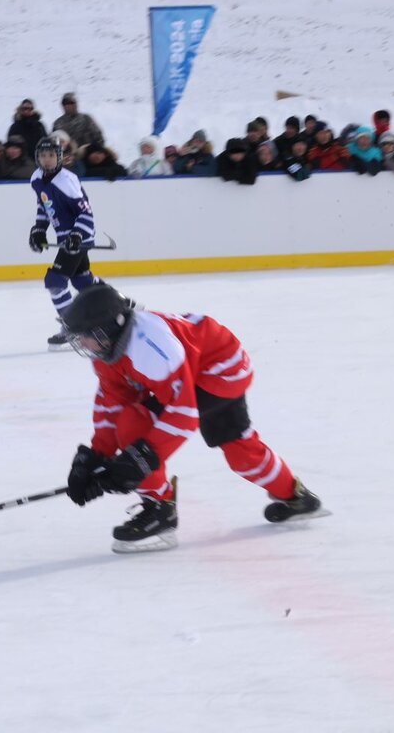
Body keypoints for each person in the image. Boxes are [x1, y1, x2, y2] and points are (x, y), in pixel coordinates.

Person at [59, 283, 327, 553]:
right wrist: (96, 457)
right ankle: (296, 497)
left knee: (135, 424)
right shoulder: (107, 351)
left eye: (85, 336)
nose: (81, 343)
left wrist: (139, 462)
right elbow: (112, 403)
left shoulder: (149, 348)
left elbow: (183, 415)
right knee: (240, 452)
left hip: (220, 370)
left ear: (108, 328)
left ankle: (160, 512)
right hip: (195, 362)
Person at [26, 136, 100, 351]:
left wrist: (76, 235)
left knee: (55, 282)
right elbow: (44, 205)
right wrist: (39, 229)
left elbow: (86, 214)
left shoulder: (67, 181)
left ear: (59, 157)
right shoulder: (36, 178)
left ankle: (73, 328)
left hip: (79, 236)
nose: (47, 159)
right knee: (82, 281)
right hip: (65, 238)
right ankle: (119, 303)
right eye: (43, 155)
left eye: (51, 155)